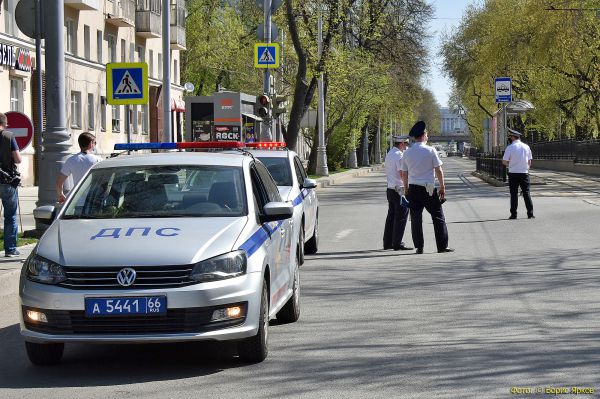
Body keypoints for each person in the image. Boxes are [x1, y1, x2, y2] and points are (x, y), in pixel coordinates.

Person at [400, 121, 453, 254]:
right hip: (428, 189)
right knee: (438, 216)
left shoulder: (407, 153)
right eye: (427, 133)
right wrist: (442, 187)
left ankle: (419, 247)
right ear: (424, 135)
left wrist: (406, 189)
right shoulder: (431, 150)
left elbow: (404, 174)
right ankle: (442, 246)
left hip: (413, 189)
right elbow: (439, 170)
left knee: (416, 219)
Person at [383, 135, 413, 251]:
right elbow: (402, 173)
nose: (406, 147)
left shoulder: (390, 154)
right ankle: (397, 243)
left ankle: (388, 243)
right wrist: (408, 187)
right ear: (401, 144)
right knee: (401, 217)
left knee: (391, 217)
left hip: (390, 189)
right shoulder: (399, 156)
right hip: (399, 190)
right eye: (405, 144)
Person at [0, 112, 23, 257]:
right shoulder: (8, 136)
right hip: (6, 181)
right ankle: (10, 249)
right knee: (10, 216)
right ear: (5, 123)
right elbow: (18, 159)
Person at [56, 132, 101, 203]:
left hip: (78, 201)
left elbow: (59, 183)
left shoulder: (71, 160)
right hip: (95, 200)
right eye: (95, 143)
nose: (95, 145)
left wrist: (60, 194)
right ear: (90, 144)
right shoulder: (98, 160)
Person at [502, 128, 534, 219]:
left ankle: (514, 214)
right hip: (524, 173)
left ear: (512, 137)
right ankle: (530, 214)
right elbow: (529, 161)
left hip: (513, 173)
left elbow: (504, 161)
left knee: (514, 194)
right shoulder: (526, 147)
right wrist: (526, 168)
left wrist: (511, 164)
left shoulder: (510, 147)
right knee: (526, 193)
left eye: (510, 137)